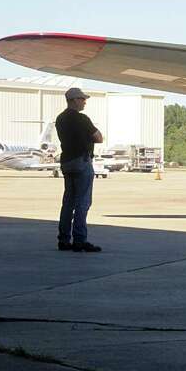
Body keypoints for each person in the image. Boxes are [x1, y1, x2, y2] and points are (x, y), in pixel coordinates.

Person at [56, 87, 103, 252]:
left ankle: (63, 240)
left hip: (67, 162)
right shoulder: (82, 119)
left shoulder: (60, 119)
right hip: (81, 161)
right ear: (75, 100)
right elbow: (99, 137)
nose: (84, 102)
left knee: (68, 202)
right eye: (82, 99)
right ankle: (79, 240)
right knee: (83, 202)